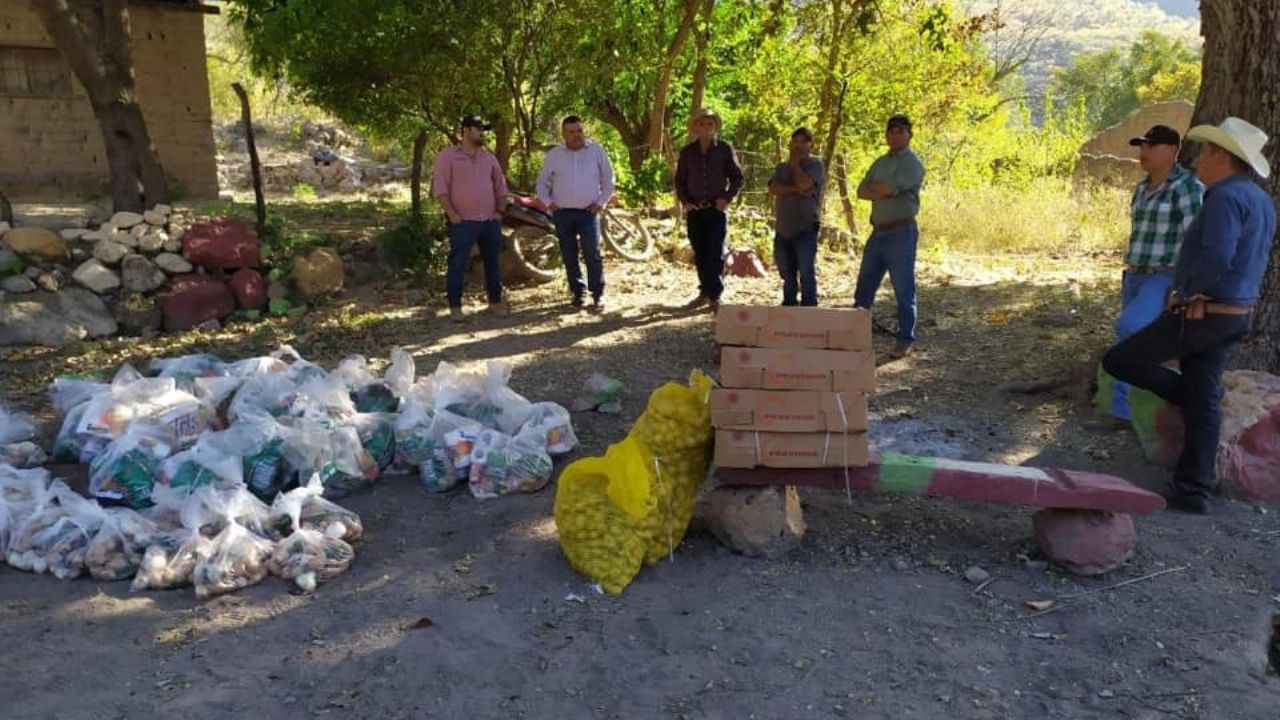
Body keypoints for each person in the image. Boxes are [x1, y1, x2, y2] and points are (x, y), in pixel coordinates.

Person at [1102, 117, 1276, 514]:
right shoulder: (1259, 199)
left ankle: (1199, 411)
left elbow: (1217, 254)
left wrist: (1185, 292)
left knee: (1121, 359)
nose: (1196, 159)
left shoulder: (1225, 197)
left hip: (1204, 313)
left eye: (1204, 151)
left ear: (1220, 155)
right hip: (1234, 313)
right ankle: (1192, 490)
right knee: (1203, 399)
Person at [1099, 125, 1204, 421]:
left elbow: (1195, 240)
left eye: (1151, 146)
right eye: (1141, 146)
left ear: (1173, 150)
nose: (1143, 152)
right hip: (1135, 273)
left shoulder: (1187, 188)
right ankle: (1122, 413)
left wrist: (1182, 285)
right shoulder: (1142, 188)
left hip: (1165, 274)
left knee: (1130, 328)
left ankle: (1173, 393)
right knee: (1126, 346)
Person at [853, 114, 926, 359]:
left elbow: (883, 189)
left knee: (903, 288)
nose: (894, 135)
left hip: (901, 232)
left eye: (900, 131)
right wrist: (881, 191)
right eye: (891, 131)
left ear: (909, 134)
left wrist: (881, 190)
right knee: (864, 286)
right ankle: (854, 336)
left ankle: (905, 339)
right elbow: (862, 191)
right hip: (878, 232)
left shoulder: (913, 164)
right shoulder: (880, 163)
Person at [431, 114, 510, 322]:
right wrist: (452, 214)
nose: (482, 133)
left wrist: (499, 213)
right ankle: (455, 308)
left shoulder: (489, 157)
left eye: (483, 129)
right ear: (465, 130)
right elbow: (440, 188)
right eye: (478, 129)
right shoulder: (448, 157)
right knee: (458, 263)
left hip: (489, 221)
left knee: (492, 262)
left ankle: (494, 302)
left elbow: (501, 187)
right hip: (463, 222)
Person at [536, 115, 616, 312]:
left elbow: (609, 179)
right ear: (563, 134)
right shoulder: (555, 155)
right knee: (569, 254)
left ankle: (598, 294)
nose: (576, 135)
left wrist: (600, 203)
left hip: (588, 213)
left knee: (592, 253)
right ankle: (578, 293)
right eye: (571, 132)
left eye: (579, 130)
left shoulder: (596, 151)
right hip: (562, 214)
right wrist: (549, 203)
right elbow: (542, 182)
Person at [674, 107, 744, 313]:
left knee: (715, 252)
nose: (706, 128)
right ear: (695, 127)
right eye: (702, 124)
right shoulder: (687, 152)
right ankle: (704, 292)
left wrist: (726, 198)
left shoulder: (724, 149)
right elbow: (680, 181)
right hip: (695, 211)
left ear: (716, 127)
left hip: (716, 209)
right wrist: (685, 202)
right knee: (701, 253)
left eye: (710, 124)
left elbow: (737, 178)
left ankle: (715, 295)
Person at [767, 127, 825, 306]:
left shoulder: (816, 165)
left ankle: (809, 311)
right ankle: (789, 308)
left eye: (803, 141)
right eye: (795, 141)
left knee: (806, 272)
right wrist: (794, 190)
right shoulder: (781, 167)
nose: (798, 145)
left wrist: (795, 165)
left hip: (805, 228)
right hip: (784, 228)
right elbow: (773, 188)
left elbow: (806, 184)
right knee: (786, 273)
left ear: (811, 145)